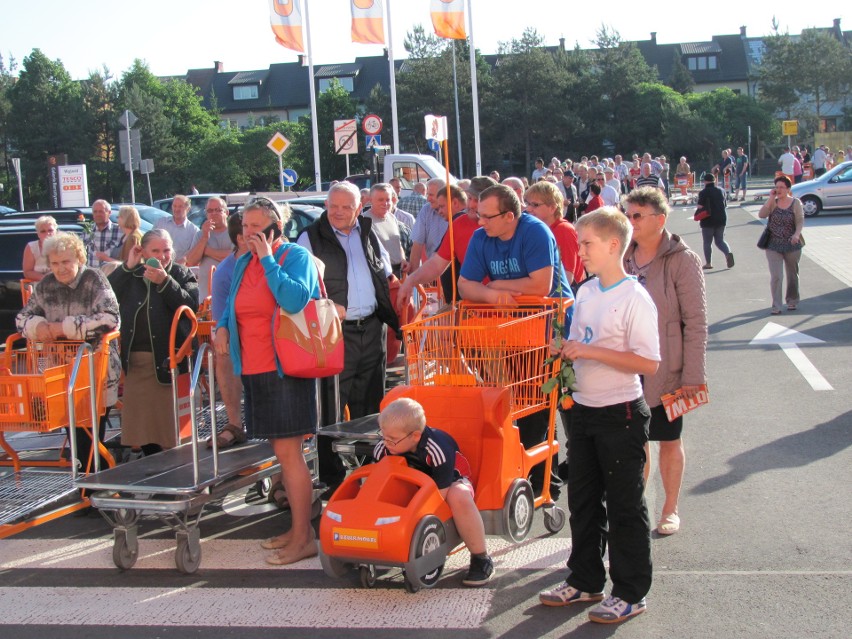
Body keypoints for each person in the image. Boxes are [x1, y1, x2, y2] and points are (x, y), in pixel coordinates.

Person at [539, 207, 659, 624]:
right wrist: (564, 348)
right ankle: (585, 579)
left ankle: (630, 591)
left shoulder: (634, 297)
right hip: (585, 411)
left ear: (613, 245)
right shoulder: (586, 291)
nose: (580, 250)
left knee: (626, 505)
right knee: (584, 500)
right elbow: (578, 342)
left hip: (621, 412)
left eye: (587, 243)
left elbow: (648, 363)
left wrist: (585, 351)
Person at [214, 198, 320, 565]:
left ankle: (304, 538)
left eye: (256, 228)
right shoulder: (244, 260)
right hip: (256, 369)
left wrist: (269, 260)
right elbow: (232, 305)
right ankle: (297, 530)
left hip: (285, 370)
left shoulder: (293, 257)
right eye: (245, 227)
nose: (248, 234)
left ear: (276, 227)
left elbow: (294, 300)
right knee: (282, 454)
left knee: (291, 456)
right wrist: (223, 327)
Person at [458, 184, 572, 501]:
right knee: (513, 401)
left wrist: (496, 282)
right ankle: (527, 473)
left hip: (548, 325)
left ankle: (543, 479)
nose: (479, 222)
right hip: (509, 330)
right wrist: (493, 294)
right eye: (478, 215)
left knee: (537, 402)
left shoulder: (534, 232)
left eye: (486, 216)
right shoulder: (482, 238)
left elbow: (541, 285)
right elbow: (465, 285)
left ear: (510, 216)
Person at [297, 182, 400, 492]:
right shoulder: (310, 237)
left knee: (371, 403)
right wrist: (327, 306)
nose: (338, 212)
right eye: (333, 206)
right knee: (330, 405)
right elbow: (301, 289)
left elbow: (384, 273)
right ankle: (331, 478)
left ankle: (373, 472)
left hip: (371, 328)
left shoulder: (368, 232)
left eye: (345, 207)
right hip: (332, 332)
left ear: (359, 207)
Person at [622, 187, 707, 536]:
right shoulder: (622, 255)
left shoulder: (682, 259)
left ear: (660, 219)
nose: (630, 222)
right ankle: (636, 506)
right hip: (627, 367)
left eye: (637, 216)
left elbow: (696, 322)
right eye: (627, 215)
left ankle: (670, 508)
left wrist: (693, 376)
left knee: (668, 438)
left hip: (668, 370)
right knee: (633, 440)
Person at [17, 232, 121, 470]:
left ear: (78, 258)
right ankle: (87, 480)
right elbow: (22, 319)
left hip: (95, 365)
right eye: (54, 263)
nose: (60, 268)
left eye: (66, 261)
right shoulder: (45, 285)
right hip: (59, 369)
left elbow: (110, 319)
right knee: (72, 428)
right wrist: (39, 326)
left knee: (90, 430)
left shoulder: (94, 279)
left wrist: (63, 328)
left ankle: (95, 480)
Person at [374, 398, 495, 586]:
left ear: (415, 436)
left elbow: (440, 495)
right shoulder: (384, 448)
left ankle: (481, 557)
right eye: (383, 436)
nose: (386, 442)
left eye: (392, 439)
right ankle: (382, 546)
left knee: (458, 495)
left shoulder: (437, 449)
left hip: (449, 483)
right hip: (413, 484)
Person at [108, 229, 199, 455]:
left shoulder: (181, 273)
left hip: (171, 360)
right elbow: (107, 295)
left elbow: (190, 305)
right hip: (137, 361)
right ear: (144, 251)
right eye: (155, 251)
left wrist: (165, 282)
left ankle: (177, 472)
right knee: (144, 429)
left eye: (166, 250)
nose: (162, 256)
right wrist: (128, 266)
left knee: (173, 428)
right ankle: (152, 466)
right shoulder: (132, 274)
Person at [208, 212, 250, 449]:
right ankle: (235, 423)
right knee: (222, 352)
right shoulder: (225, 272)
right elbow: (221, 318)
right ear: (240, 239)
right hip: (241, 332)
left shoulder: (277, 257)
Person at [758, 175, 804, 315]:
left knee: (792, 275)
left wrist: (796, 234)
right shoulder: (773, 202)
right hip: (773, 244)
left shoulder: (796, 203)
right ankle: (776, 305)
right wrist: (771, 198)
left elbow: (800, 221)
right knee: (776, 276)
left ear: (788, 189)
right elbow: (762, 214)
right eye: (776, 187)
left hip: (792, 244)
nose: (778, 190)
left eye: (782, 187)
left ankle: (792, 300)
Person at [524, 181, 583, 286]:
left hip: (559, 299)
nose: (528, 209)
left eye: (535, 205)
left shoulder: (563, 230)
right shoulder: (536, 230)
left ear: (552, 208)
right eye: (528, 203)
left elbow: (566, 278)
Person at [185, 197, 233, 299]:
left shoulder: (234, 232)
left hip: (231, 294)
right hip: (206, 297)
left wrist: (206, 251)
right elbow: (190, 261)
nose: (214, 213)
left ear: (226, 212)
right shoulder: (200, 235)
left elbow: (235, 257)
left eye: (218, 210)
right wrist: (204, 238)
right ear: (206, 214)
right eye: (210, 211)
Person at [365, 183, 409, 278]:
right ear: (371, 200)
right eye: (380, 200)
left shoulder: (392, 217)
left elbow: (398, 244)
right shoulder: (364, 220)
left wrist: (403, 259)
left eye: (388, 200)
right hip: (379, 274)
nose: (385, 204)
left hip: (398, 272)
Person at [696, 173, 735, 270]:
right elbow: (725, 204)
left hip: (708, 220)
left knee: (707, 242)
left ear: (705, 181)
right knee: (720, 241)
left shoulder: (703, 192)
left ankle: (708, 263)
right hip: (721, 218)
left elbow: (700, 206)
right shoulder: (721, 191)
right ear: (714, 180)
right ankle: (728, 253)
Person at [407, 179, 447, 272]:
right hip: (433, 272)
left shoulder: (457, 211)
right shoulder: (426, 209)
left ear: (444, 195)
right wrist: (414, 279)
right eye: (427, 194)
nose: (428, 199)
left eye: (431, 195)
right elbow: (417, 244)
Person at [155, 194, 201, 264]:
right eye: (174, 206)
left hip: (179, 269)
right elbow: (151, 242)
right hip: (159, 264)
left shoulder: (194, 231)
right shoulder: (161, 223)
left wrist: (183, 261)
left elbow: (192, 254)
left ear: (188, 209)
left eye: (180, 206)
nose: (176, 209)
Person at [99, 206, 144, 275]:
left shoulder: (133, 237)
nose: (117, 219)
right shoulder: (126, 235)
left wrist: (106, 258)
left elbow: (129, 264)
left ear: (125, 219)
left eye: (119, 217)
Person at [86, 199, 123, 268]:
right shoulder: (88, 230)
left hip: (111, 274)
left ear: (109, 213)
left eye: (101, 211)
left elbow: (126, 259)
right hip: (92, 274)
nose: (98, 214)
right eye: (95, 212)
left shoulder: (120, 231)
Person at [22, 215, 58, 281]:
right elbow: (27, 272)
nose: (47, 233)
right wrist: (47, 280)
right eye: (43, 231)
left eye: (50, 230)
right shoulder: (31, 247)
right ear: (38, 234)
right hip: (38, 285)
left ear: (56, 232)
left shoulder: (62, 246)